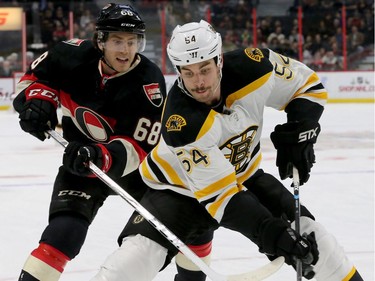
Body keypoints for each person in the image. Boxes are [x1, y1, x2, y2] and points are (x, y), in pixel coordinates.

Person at [90, 20, 364, 281]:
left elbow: (308, 86)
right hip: (176, 192)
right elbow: (222, 199)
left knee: (314, 237)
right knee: (131, 261)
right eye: (188, 72)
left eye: (205, 69)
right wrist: (271, 233)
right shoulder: (182, 123)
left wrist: (301, 132)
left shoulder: (256, 66)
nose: (198, 83)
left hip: (243, 177)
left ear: (219, 60)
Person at [13, 4, 167, 281]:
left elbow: (140, 148)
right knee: (63, 232)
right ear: (101, 41)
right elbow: (35, 79)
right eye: (118, 41)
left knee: (175, 220)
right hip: (81, 163)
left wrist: (100, 155)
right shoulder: (70, 54)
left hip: (135, 172)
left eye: (132, 42)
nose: (126, 50)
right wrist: (39, 101)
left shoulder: (149, 83)